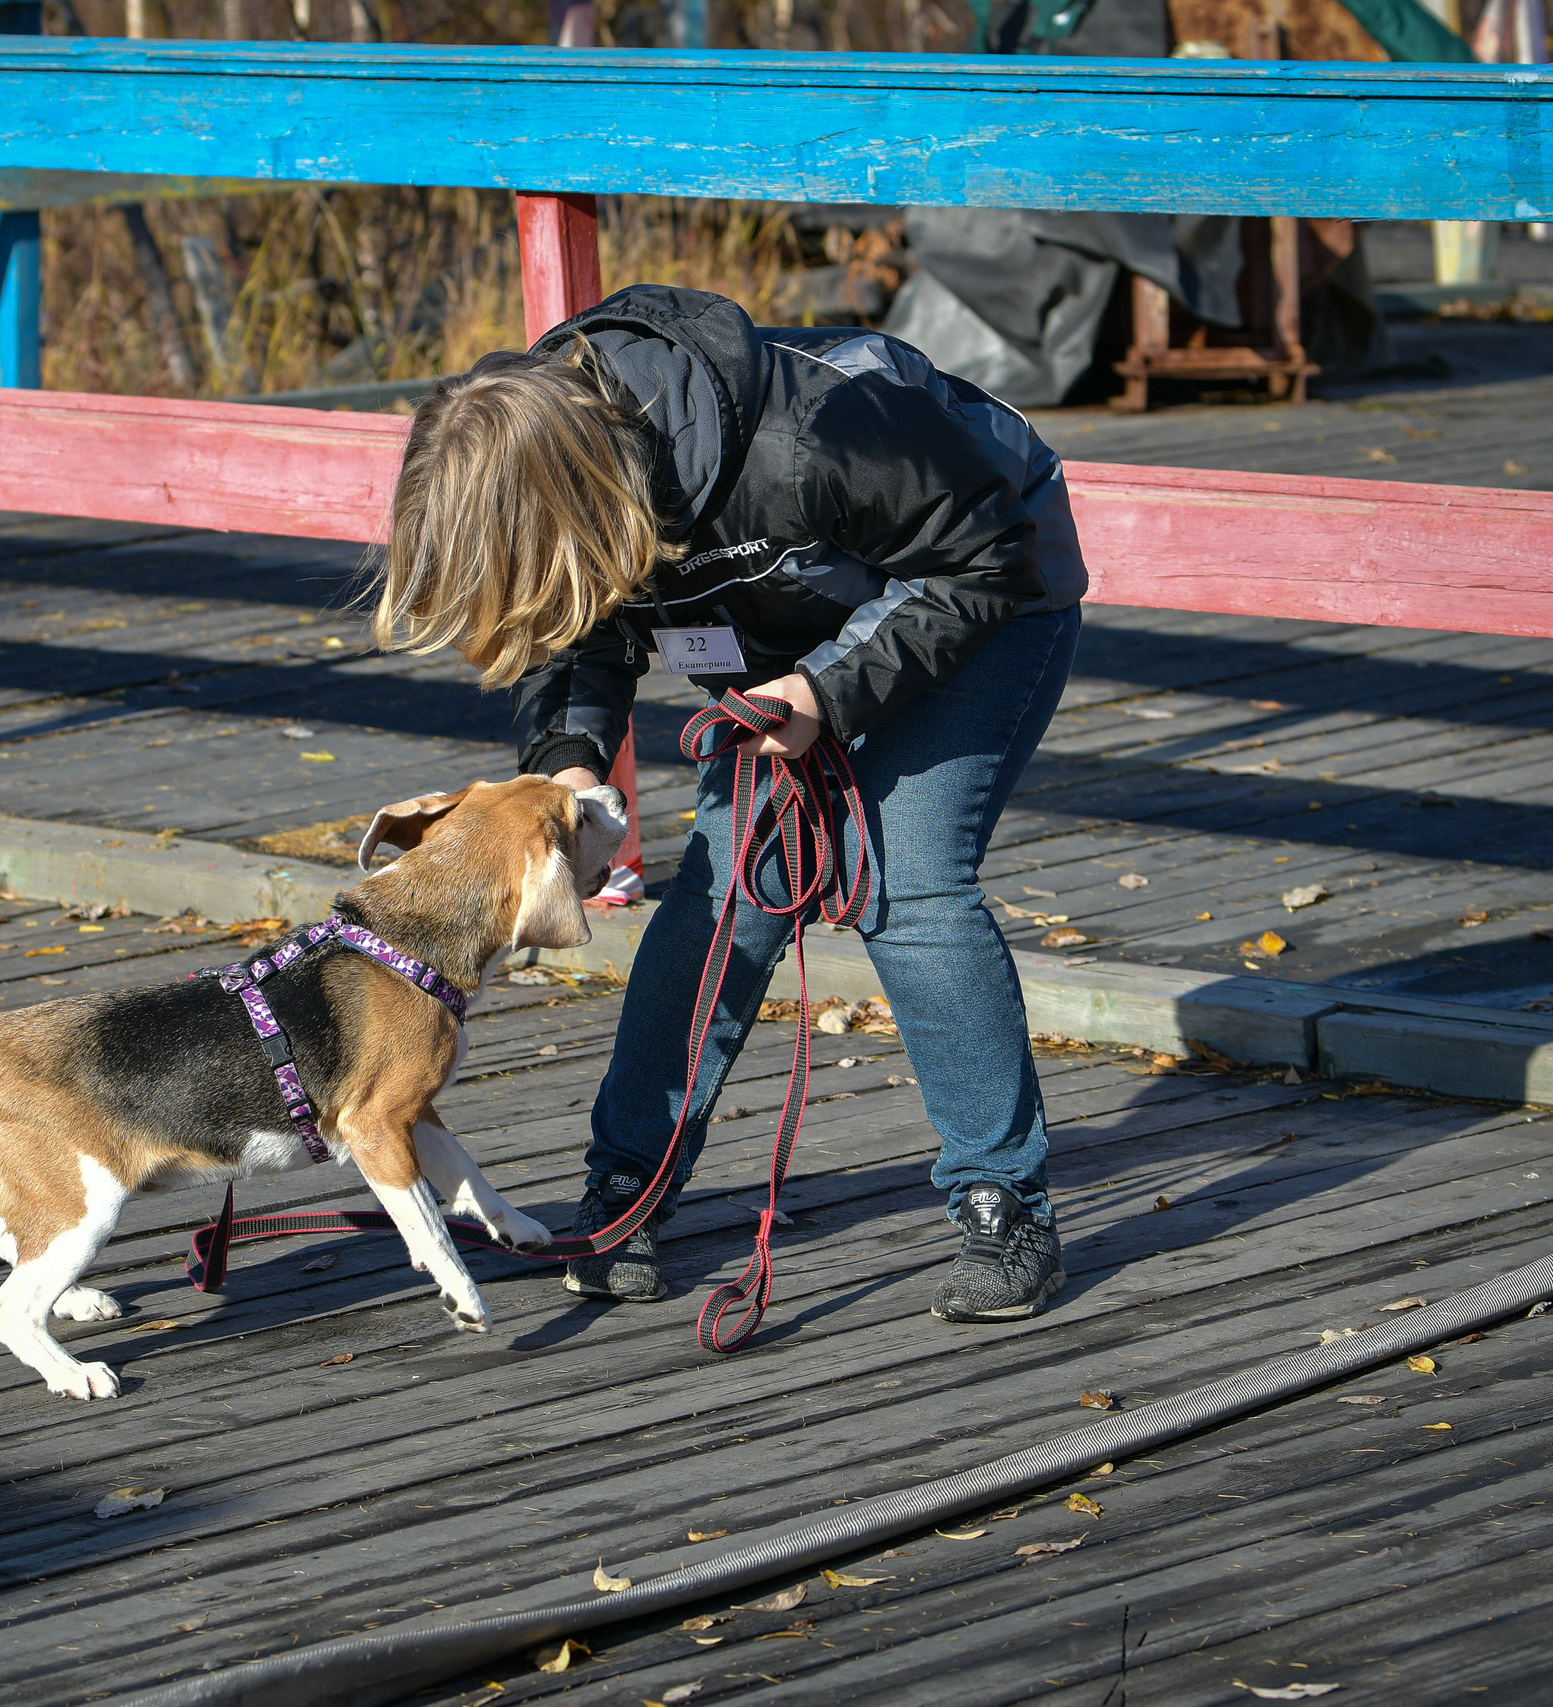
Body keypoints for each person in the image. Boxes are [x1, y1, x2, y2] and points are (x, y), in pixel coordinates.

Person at [373, 284, 1087, 1323]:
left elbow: (986, 555)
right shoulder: (561, 465)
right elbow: (569, 628)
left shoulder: (814, 432)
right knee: (721, 901)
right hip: (783, 635)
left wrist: (829, 691)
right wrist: (571, 764)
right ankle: (631, 1187)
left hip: (976, 587)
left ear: (588, 492)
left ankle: (1001, 1202)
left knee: (907, 878)